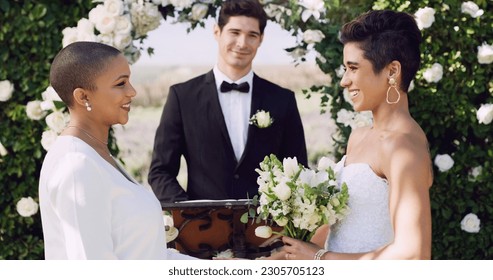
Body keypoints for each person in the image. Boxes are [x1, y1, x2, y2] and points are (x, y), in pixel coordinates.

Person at [275, 10, 433, 260]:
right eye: (345, 69)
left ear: (392, 71)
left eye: (353, 68)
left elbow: (413, 254)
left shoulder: (403, 147)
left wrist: (320, 259)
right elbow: (337, 227)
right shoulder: (358, 136)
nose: (344, 81)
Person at [39, 41, 194, 260]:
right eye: (121, 83)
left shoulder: (98, 154)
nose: (132, 91)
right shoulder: (76, 165)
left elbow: (149, 255)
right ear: (83, 97)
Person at [148, 0, 308, 203]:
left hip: (267, 230)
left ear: (261, 40)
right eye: (234, 32)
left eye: (252, 35)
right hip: (201, 230)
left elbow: (298, 170)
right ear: (217, 32)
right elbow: (160, 172)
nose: (242, 43)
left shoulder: (282, 99)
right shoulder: (182, 97)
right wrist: (191, 214)